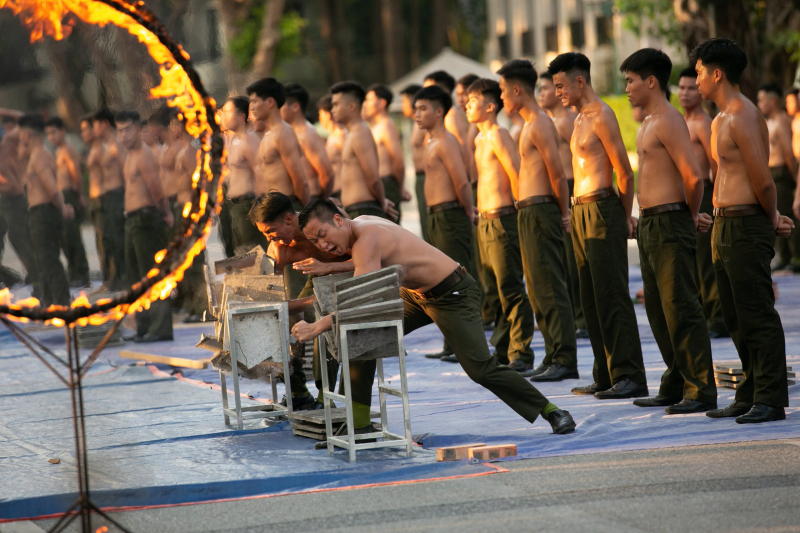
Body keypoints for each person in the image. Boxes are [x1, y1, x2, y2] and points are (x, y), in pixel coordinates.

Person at [291, 199, 576, 435]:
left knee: (480, 368)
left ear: (338, 220)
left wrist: (317, 326)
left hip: (453, 295)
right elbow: (373, 259)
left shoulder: (367, 240)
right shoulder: (363, 223)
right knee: (362, 336)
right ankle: (359, 425)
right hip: (415, 296)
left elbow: (361, 303)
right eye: (314, 242)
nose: (322, 245)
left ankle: (551, 410)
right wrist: (331, 268)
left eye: (323, 235)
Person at [691, 38, 794, 423]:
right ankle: (750, 391)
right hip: (724, 223)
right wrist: (713, 214)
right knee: (733, 314)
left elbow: (763, 180)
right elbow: (722, 175)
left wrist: (771, 218)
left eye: (700, 72)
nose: (696, 79)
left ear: (718, 73)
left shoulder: (743, 115)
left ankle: (770, 397)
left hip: (748, 223)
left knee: (756, 313)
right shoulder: (718, 119)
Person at [620, 48, 717, 414]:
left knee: (681, 306)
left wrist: (689, 217)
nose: (626, 87)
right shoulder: (647, 122)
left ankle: (700, 389)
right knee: (658, 309)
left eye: (630, 80)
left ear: (651, 81)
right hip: (649, 222)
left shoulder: (669, 120)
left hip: (670, 220)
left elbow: (693, 176)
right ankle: (676, 381)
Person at [547, 52, 648, 399]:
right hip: (581, 210)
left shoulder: (602, 115)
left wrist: (623, 215)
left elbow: (624, 171)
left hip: (603, 208)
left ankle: (629, 375)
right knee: (589, 297)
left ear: (579, 81)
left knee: (612, 294)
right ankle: (604, 374)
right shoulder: (576, 120)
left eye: (561, 85)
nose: (558, 92)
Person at [497, 59, 579, 383]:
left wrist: (563, 213)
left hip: (543, 209)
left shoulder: (541, 123)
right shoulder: (529, 124)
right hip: (528, 210)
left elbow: (558, 174)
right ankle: (552, 354)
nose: (502, 97)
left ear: (517, 90)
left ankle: (564, 358)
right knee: (538, 289)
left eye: (503, 91)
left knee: (551, 285)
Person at [248, 191, 354, 409]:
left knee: (322, 324)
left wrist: (330, 267)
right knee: (279, 320)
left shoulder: (323, 221)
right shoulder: (278, 247)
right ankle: (298, 392)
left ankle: (327, 398)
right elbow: (271, 296)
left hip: (350, 273)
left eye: (271, 232)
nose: (269, 238)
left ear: (289, 219)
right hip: (318, 276)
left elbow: (366, 259)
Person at [466, 78, 535, 375]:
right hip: (484, 220)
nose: (467, 106)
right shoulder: (479, 139)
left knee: (510, 287)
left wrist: (519, 215)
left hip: (503, 218)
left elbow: (516, 174)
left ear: (490, 106)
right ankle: (504, 349)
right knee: (492, 290)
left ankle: (521, 352)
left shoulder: (498, 134)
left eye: (473, 101)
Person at [413, 85, 479, 364]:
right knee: (438, 281)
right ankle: (451, 343)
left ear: (440, 111)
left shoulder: (447, 141)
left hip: (451, 214)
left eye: (423, 108)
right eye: (416, 109)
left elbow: (461, 180)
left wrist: (468, 211)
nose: (417, 114)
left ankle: (470, 345)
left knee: (455, 278)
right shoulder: (430, 142)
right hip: (436, 216)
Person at [677, 67, 728, 338]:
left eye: (690, 88)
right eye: (681, 88)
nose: (685, 93)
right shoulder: (676, 122)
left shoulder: (703, 123)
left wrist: (717, 203)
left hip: (705, 193)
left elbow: (716, 166)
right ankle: (701, 314)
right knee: (689, 260)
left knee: (707, 260)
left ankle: (717, 317)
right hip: (681, 198)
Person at [116, 111, 174, 343]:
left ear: (139, 130)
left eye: (127, 129)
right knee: (136, 277)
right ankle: (144, 326)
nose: (123, 135)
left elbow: (156, 189)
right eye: (119, 130)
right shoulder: (130, 155)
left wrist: (165, 213)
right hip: (132, 221)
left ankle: (160, 328)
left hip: (146, 219)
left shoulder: (144, 154)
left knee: (152, 274)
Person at [538, 72, 587, 338]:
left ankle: (580, 317)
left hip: (569, 184)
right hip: (554, 190)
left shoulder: (567, 121)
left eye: (547, 88)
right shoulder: (546, 122)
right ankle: (569, 313)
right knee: (559, 258)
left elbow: (579, 159)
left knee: (572, 256)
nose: (543, 94)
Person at [18, 114, 72, 306]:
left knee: (49, 260)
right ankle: (50, 300)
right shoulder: (35, 155)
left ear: (26, 134)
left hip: (44, 213)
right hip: (39, 213)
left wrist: (62, 208)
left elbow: (51, 188)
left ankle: (63, 302)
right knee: (44, 260)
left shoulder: (40, 155)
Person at [330, 81, 397, 221]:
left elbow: (373, 178)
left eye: (336, 105)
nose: (332, 110)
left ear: (352, 106)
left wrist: (382, 201)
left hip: (365, 210)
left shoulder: (361, 132)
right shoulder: (351, 134)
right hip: (355, 210)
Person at [247, 77, 310, 210]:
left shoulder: (284, 132)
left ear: (270, 102)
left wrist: (308, 213)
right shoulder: (268, 135)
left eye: (254, 101)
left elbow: (300, 181)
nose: (251, 107)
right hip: (270, 209)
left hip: (286, 208)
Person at [757, 83, 800, 272]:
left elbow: (789, 154)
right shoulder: (768, 122)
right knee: (775, 215)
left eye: (761, 100)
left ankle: (795, 256)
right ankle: (784, 255)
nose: (759, 104)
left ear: (772, 101)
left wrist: (794, 178)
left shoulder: (782, 120)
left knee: (787, 215)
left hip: (783, 173)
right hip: (771, 173)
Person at [45, 117, 91, 288]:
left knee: (72, 237)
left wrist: (79, 196)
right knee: (65, 237)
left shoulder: (68, 149)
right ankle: (74, 272)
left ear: (62, 131)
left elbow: (76, 176)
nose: (51, 137)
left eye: (53, 132)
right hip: (62, 196)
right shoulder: (57, 152)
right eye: (48, 134)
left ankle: (81, 273)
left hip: (70, 194)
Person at [220, 96, 268, 254]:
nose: (223, 115)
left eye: (227, 112)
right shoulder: (233, 141)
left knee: (252, 254)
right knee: (240, 254)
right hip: (235, 206)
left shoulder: (249, 141)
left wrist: (259, 205)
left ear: (241, 116)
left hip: (248, 204)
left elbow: (260, 172)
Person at [0, 110, 40, 294]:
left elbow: (25, 116)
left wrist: (3, 110)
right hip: (5, 198)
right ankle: (8, 278)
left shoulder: (10, 140)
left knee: (19, 238)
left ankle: (39, 279)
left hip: (12, 198)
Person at [363, 84, 409, 223]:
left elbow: (398, 160)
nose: (365, 104)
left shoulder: (387, 125)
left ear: (382, 103)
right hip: (378, 185)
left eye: (369, 99)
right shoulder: (375, 127)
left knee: (390, 228)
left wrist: (400, 187)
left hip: (387, 183)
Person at [93, 108, 127, 291]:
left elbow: (125, 170)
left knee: (118, 238)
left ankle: (123, 278)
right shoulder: (103, 145)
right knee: (109, 240)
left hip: (117, 196)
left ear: (104, 124)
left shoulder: (115, 144)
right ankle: (114, 277)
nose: (94, 129)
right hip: (107, 198)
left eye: (96, 125)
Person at [282, 83, 334, 202]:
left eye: (281, 105)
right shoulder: (290, 133)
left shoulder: (306, 134)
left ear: (295, 107)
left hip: (311, 199)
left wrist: (322, 202)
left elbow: (327, 173)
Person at [79, 114, 109, 288]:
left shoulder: (102, 148)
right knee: (99, 241)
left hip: (103, 199)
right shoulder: (93, 149)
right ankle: (107, 279)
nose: (83, 134)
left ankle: (110, 280)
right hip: (95, 199)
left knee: (105, 241)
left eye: (85, 129)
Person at [400, 84, 428, 240]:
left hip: (428, 175)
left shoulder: (425, 123)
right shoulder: (415, 124)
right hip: (420, 177)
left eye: (404, 101)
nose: (403, 105)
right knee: (424, 223)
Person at [316, 94, 346, 199]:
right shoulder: (331, 137)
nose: (319, 118)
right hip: (334, 193)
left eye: (320, 114)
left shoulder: (341, 136)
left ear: (328, 114)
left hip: (342, 192)